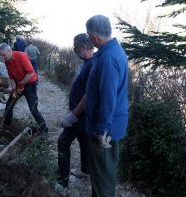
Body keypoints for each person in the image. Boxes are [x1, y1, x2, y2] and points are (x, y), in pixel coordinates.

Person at [85, 15, 129, 197]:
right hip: (109, 126)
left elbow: (108, 99)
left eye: (88, 36)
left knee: (103, 178)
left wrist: (101, 130)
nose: (88, 39)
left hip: (105, 130)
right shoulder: (115, 51)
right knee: (101, 174)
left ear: (94, 37)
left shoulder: (108, 58)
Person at [57, 33, 94, 189]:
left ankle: (62, 181)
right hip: (81, 114)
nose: (74, 51)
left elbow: (89, 94)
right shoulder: (87, 62)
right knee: (83, 140)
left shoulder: (92, 64)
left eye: (75, 48)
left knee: (63, 141)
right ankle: (86, 169)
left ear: (84, 47)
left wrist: (73, 115)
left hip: (81, 114)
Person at [0, 43, 49, 137]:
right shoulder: (7, 61)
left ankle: (44, 130)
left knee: (33, 109)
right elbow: (11, 77)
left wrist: (21, 84)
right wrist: (13, 89)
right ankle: (7, 124)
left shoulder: (21, 56)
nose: (3, 57)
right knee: (9, 104)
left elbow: (30, 73)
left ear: (9, 51)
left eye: (3, 55)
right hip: (18, 84)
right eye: (1, 56)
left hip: (30, 84)